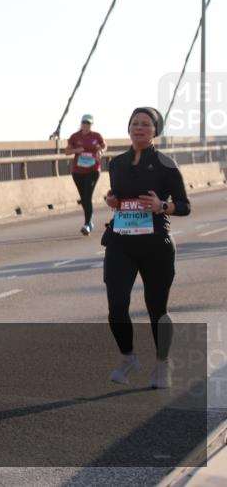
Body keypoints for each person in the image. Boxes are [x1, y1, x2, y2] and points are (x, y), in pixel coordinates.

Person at [102, 107, 190, 389]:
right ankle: (128, 358)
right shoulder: (116, 163)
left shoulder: (166, 164)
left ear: (155, 131)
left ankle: (163, 363)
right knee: (116, 307)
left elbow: (185, 206)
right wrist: (113, 200)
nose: (139, 128)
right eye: (134, 123)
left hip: (156, 246)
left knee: (157, 309)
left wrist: (161, 206)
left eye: (145, 124)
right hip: (120, 243)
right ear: (128, 128)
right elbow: (119, 196)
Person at [64, 113, 106, 235]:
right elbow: (66, 151)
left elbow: (104, 145)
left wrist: (101, 150)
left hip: (93, 170)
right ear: (81, 124)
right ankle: (89, 222)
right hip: (78, 171)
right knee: (84, 199)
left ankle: (87, 224)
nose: (86, 125)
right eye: (84, 123)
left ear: (91, 124)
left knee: (87, 196)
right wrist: (75, 150)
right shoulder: (74, 137)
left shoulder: (96, 136)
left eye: (88, 123)